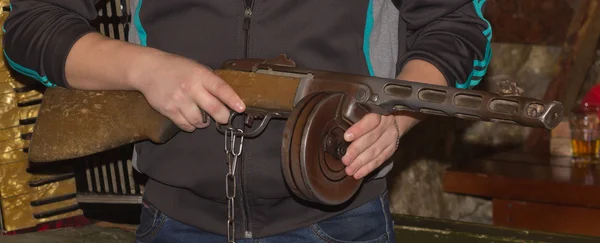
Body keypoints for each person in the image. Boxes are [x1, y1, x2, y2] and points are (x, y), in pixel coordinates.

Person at [4, 0, 491, 242]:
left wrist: (397, 117)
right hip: (175, 220)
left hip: (338, 220)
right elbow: (31, 27)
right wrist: (144, 69)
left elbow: (457, 24)